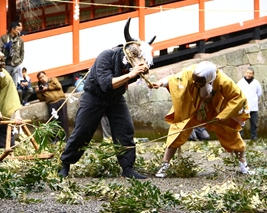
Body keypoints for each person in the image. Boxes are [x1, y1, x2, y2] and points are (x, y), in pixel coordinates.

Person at [58, 18, 156, 179]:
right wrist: (131, 74)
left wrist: (144, 76)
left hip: (116, 99)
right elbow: (107, 84)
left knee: (125, 129)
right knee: (83, 131)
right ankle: (65, 164)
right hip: (94, 96)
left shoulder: (133, 64)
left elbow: (129, 80)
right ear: (125, 55)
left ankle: (127, 167)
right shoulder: (106, 56)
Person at [152, 61, 251, 178]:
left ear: (209, 79)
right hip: (192, 107)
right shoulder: (192, 71)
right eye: (194, 81)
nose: (195, 83)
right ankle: (165, 164)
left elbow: (238, 97)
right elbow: (175, 79)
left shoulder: (222, 80)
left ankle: (243, 165)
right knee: (177, 131)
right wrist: (160, 83)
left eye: (199, 82)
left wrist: (222, 116)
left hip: (214, 110)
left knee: (230, 132)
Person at [35, 71, 69, 139]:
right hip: (51, 104)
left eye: (43, 76)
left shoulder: (53, 80)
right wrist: (38, 91)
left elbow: (58, 86)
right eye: (40, 78)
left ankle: (65, 138)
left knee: (63, 119)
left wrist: (47, 88)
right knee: (54, 121)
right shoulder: (41, 87)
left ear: (46, 76)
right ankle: (56, 138)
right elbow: (41, 99)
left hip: (60, 100)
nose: (42, 78)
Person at [237, 67, 263, 141]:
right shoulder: (240, 82)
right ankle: (240, 137)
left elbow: (259, 93)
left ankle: (254, 136)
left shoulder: (256, 83)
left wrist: (254, 99)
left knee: (254, 123)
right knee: (241, 122)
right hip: (243, 106)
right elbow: (237, 93)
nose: (248, 74)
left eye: (250, 73)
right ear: (245, 73)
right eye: (247, 73)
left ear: (253, 74)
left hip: (253, 106)